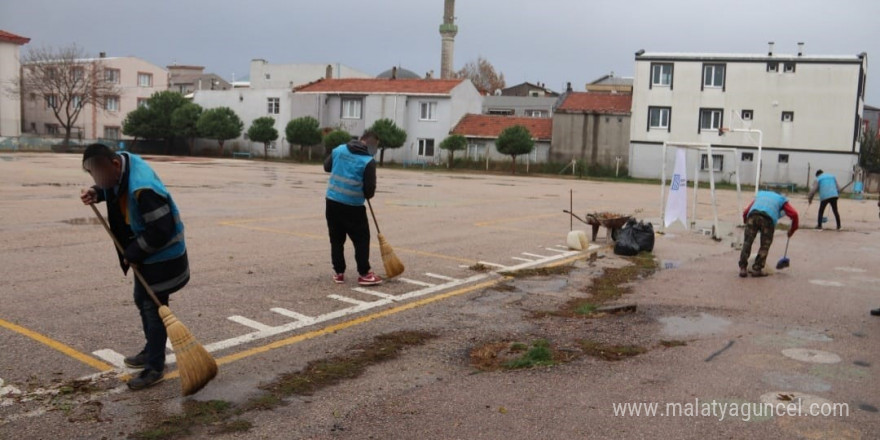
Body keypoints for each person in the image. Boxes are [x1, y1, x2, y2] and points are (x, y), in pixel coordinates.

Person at [79, 143, 189, 390]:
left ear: (114, 164)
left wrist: (132, 252)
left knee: (153, 309)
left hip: (163, 257)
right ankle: (152, 349)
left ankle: (155, 367)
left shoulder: (143, 188)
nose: (97, 178)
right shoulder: (122, 167)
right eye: (92, 175)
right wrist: (97, 192)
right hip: (147, 255)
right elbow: (115, 188)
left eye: (99, 173)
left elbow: (161, 230)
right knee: (143, 300)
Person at [324, 131, 383, 286]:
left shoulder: (339, 150)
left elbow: (327, 167)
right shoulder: (368, 161)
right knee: (361, 240)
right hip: (353, 207)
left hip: (332, 202)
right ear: (371, 144)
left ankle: (339, 273)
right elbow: (369, 192)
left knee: (336, 239)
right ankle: (364, 273)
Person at [739, 190, 799, 277]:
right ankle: (757, 269)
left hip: (753, 215)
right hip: (768, 219)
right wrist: (792, 230)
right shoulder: (781, 199)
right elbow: (794, 214)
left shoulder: (761, 195)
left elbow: (746, 211)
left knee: (747, 242)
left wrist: (746, 221)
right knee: (764, 245)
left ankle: (743, 269)